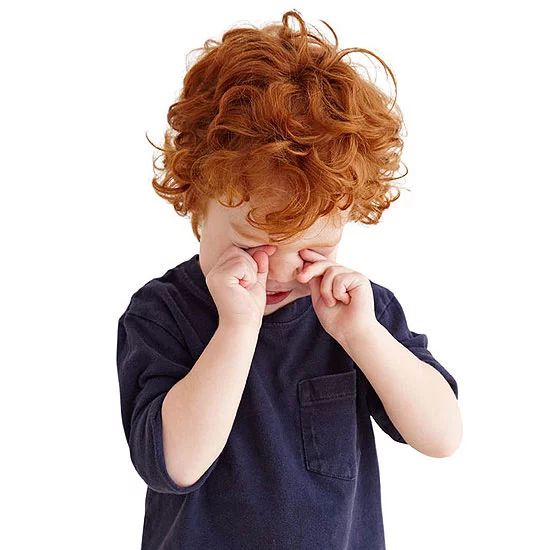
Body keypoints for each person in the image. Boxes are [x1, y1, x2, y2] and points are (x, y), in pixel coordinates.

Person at [116, 10, 461, 549]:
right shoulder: (162, 313)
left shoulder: (356, 313)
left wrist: (363, 336)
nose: (277, 270)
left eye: (312, 248)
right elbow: (175, 464)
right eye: (252, 245)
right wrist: (236, 328)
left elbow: (443, 436)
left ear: (347, 215)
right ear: (197, 204)